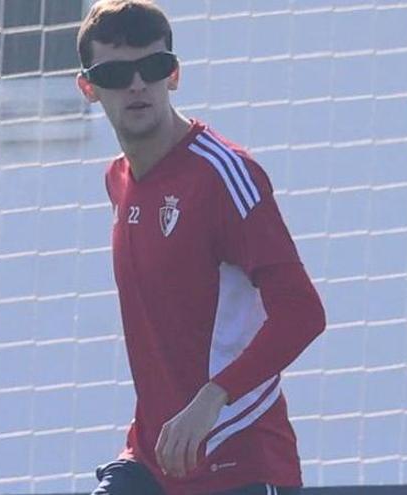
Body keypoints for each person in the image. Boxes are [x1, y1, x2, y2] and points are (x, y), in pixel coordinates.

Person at [75, 1, 327, 494]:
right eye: (116, 72)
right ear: (88, 87)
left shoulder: (225, 174)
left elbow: (303, 311)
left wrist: (212, 399)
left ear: (173, 74)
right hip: (153, 461)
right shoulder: (118, 181)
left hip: (241, 460)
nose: (136, 84)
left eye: (152, 67)